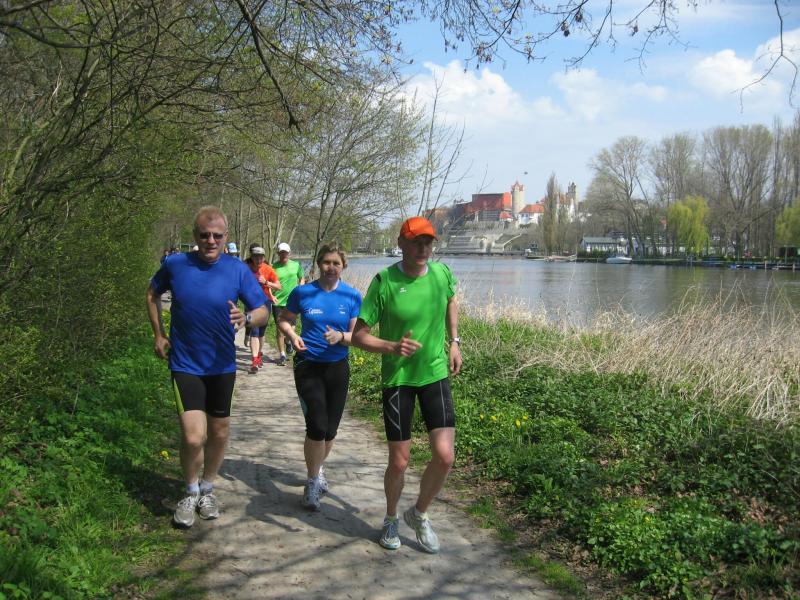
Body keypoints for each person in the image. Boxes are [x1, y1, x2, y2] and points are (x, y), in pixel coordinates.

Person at [146, 206, 269, 528]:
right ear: (195, 236)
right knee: (192, 437)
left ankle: (208, 488)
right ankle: (189, 491)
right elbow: (152, 293)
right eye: (204, 235)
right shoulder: (176, 264)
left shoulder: (237, 270)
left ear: (226, 237)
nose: (210, 241)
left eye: (217, 235)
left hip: (222, 366)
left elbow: (262, 310)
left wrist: (247, 318)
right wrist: (158, 334)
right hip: (185, 363)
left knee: (219, 431)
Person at [352, 216, 462, 554]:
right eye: (416, 242)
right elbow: (358, 336)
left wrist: (455, 341)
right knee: (399, 462)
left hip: (434, 374)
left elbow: (450, 299)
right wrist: (391, 346)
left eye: (428, 242)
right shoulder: (384, 281)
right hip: (398, 379)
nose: (423, 248)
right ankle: (390, 518)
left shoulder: (442, 274)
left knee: (445, 456)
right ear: (401, 243)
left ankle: (419, 514)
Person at [277, 244, 362, 510]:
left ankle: (318, 469)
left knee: (330, 429)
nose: (331, 268)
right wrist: (293, 336)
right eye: (326, 262)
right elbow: (284, 319)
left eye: (336, 263)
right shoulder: (302, 292)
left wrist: (341, 337)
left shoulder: (352, 296)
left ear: (343, 266)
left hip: (338, 367)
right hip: (308, 365)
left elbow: (358, 336)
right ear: (318, 264)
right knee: (316, 425)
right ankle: (312, 481)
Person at [244, 245, 281, 373]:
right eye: (256, 257)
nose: (258, 259)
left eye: (261, 257)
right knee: (254, 331)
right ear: (252, 257)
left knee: (261, 333)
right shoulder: (245, 268)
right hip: (250, 303)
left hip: (265, 303)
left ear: (264, 257)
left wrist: (266, 282)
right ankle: (254, 360)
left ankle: (259, 354)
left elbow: (278, 286)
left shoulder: (268, 269)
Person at [272, 242, 305, 366]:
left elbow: (302, 278)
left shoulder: (296, 265)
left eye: (285, 252)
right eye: (281, 252)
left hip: (292, 303)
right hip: (278, 302)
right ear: (278, 253)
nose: (284, 254)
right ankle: (282, 355)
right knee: (280, 330)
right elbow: (268, 283)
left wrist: (300, 288)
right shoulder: (273, 267)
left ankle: (288, 342)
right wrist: (271, 295)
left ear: (289, 253)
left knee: (291, 329)